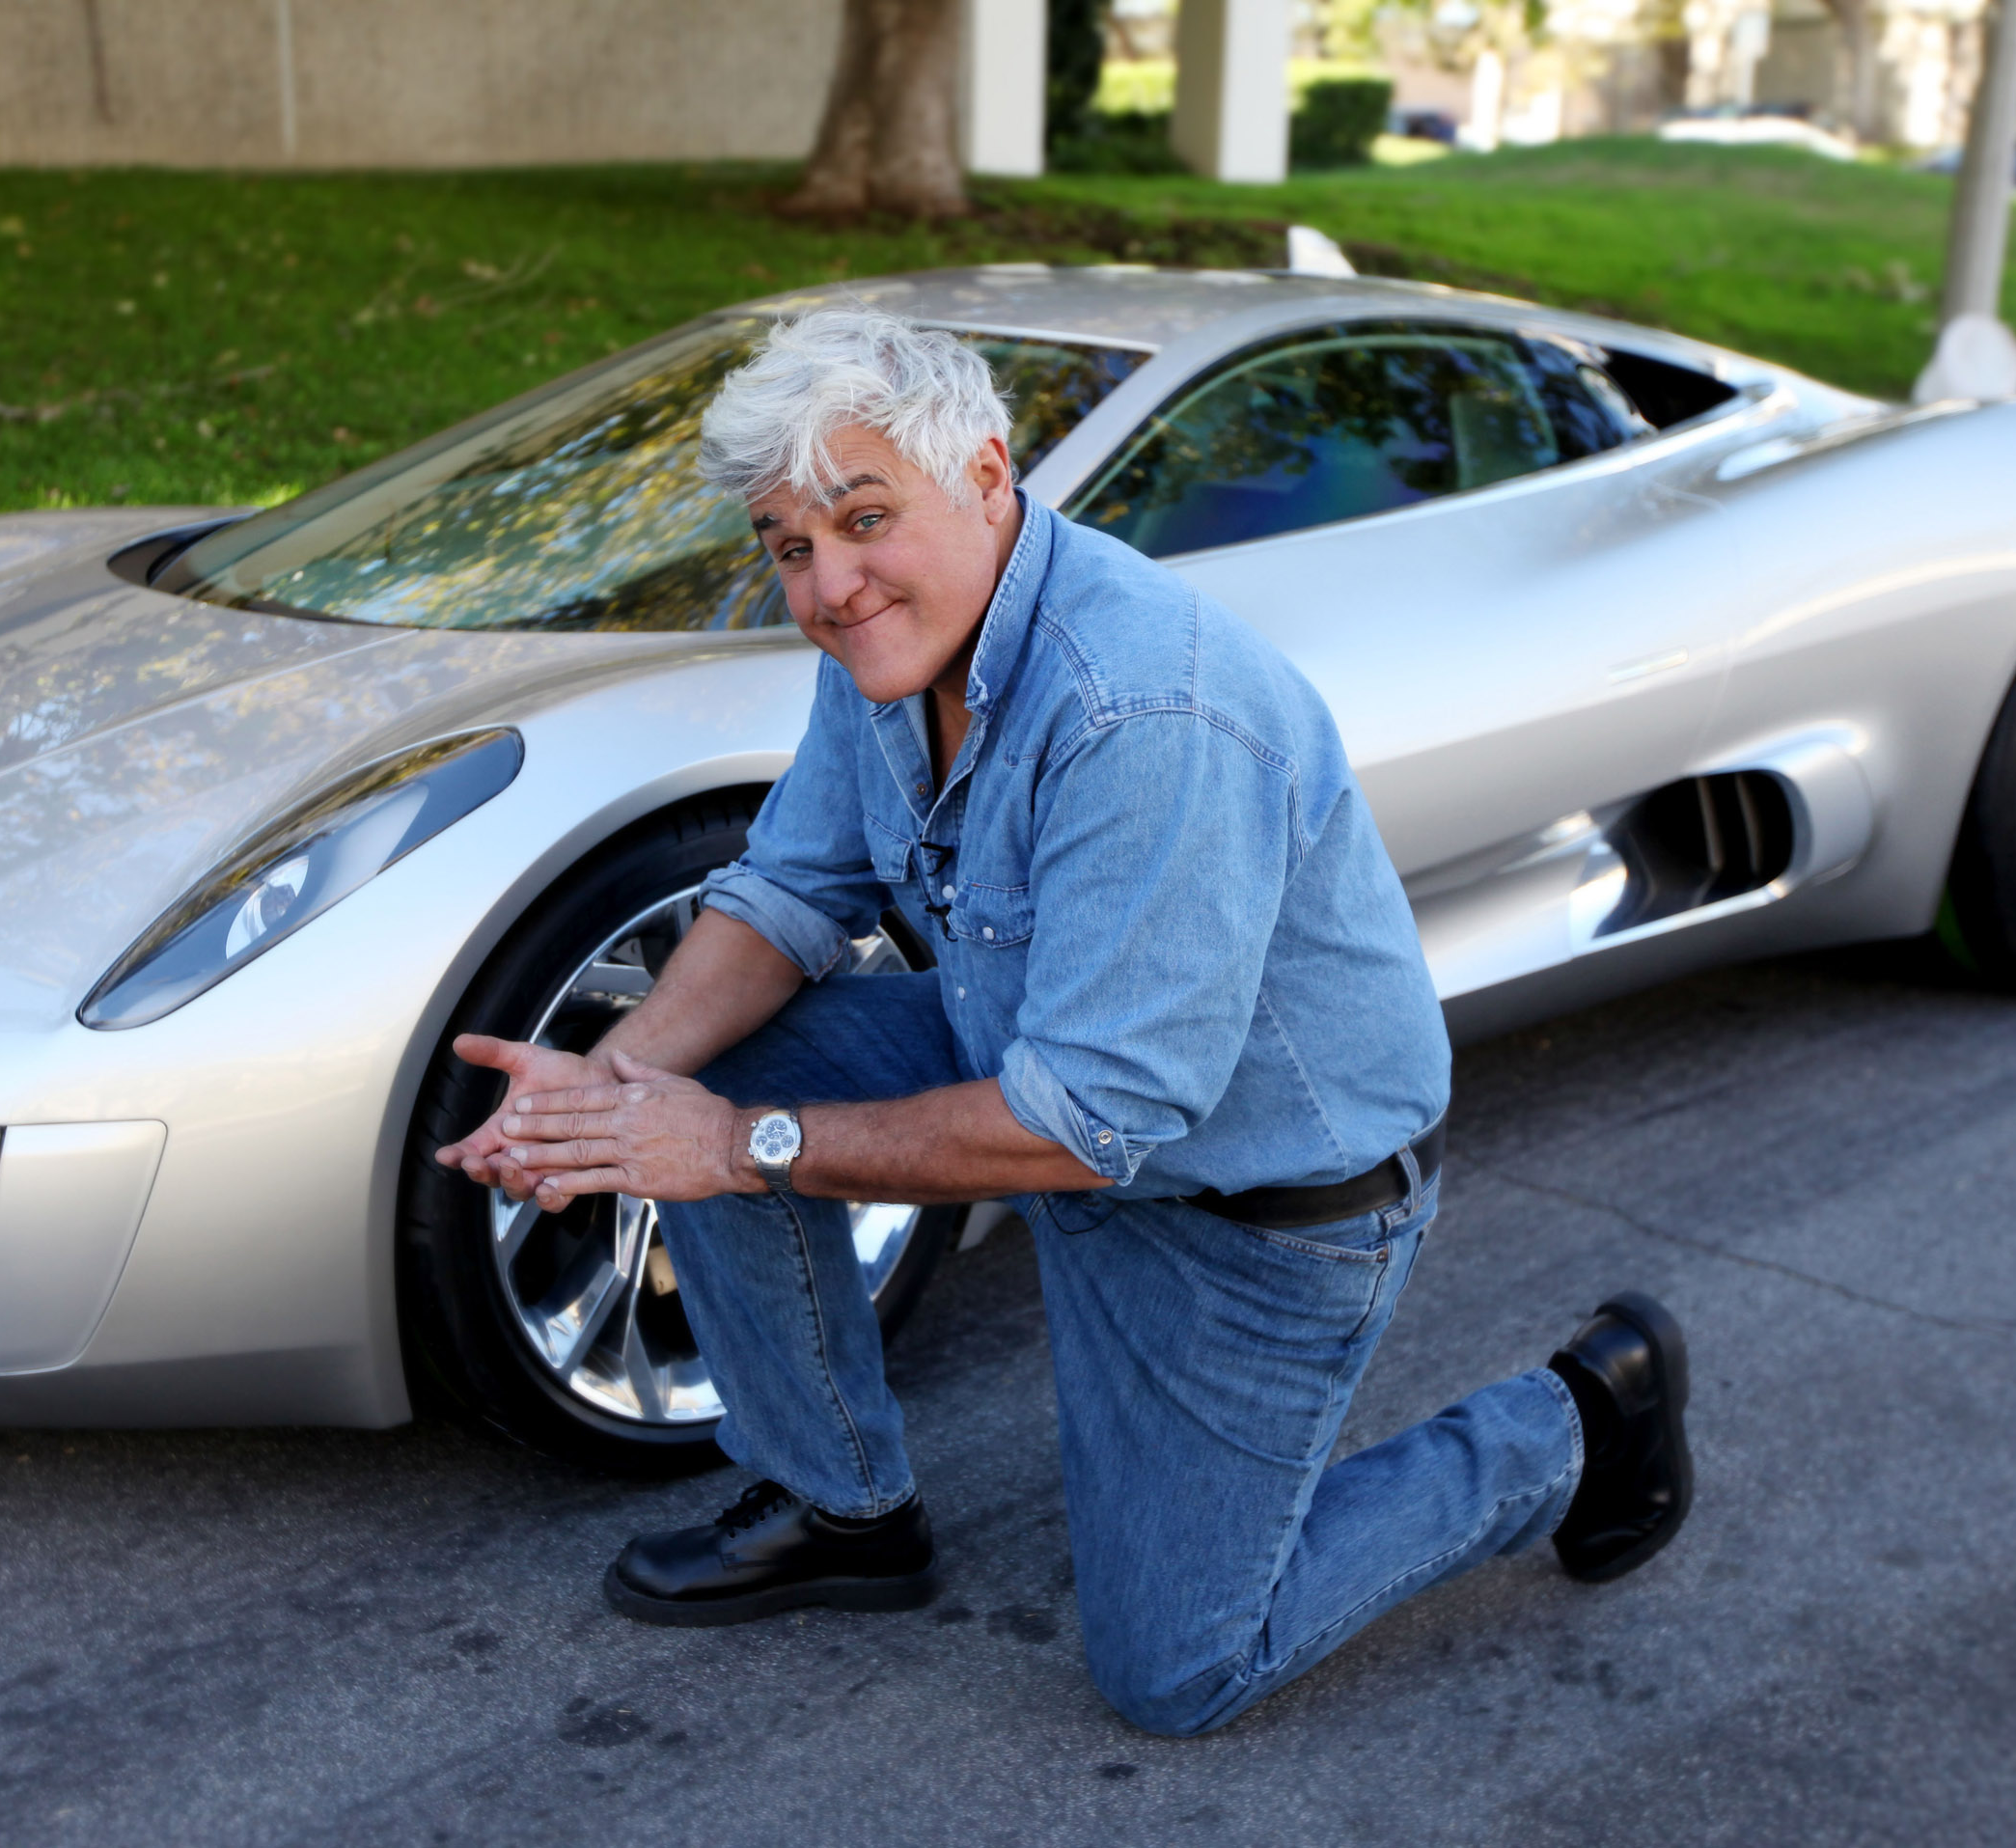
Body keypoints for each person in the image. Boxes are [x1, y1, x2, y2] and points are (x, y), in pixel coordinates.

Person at [435, 307, 1694, 1738]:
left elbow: (1089, 1125)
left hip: (1260, 1211)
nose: (831, 586)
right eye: (792, 548)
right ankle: (841, 1508)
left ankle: (1576, 1421)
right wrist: (610, 1090)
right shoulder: (902, 648)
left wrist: (727, 1143)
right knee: (714, 1073)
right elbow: (791, 891)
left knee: (1180, 1670)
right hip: (1039, 1092)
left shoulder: (1145, 709)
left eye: (862, 519)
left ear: (985, 472)